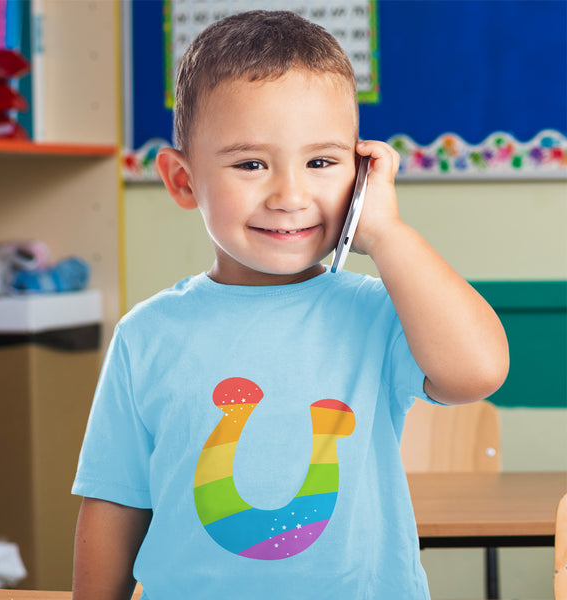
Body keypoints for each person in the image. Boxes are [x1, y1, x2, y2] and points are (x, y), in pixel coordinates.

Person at [72, 10, 509, 600]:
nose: (290, 196)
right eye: (250, 164)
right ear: (183, 181)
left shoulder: (380, 312)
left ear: (359, 174)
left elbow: (477, 372)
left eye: (322, 163)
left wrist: (385, 234)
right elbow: (116, 502)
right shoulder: (146, 334)